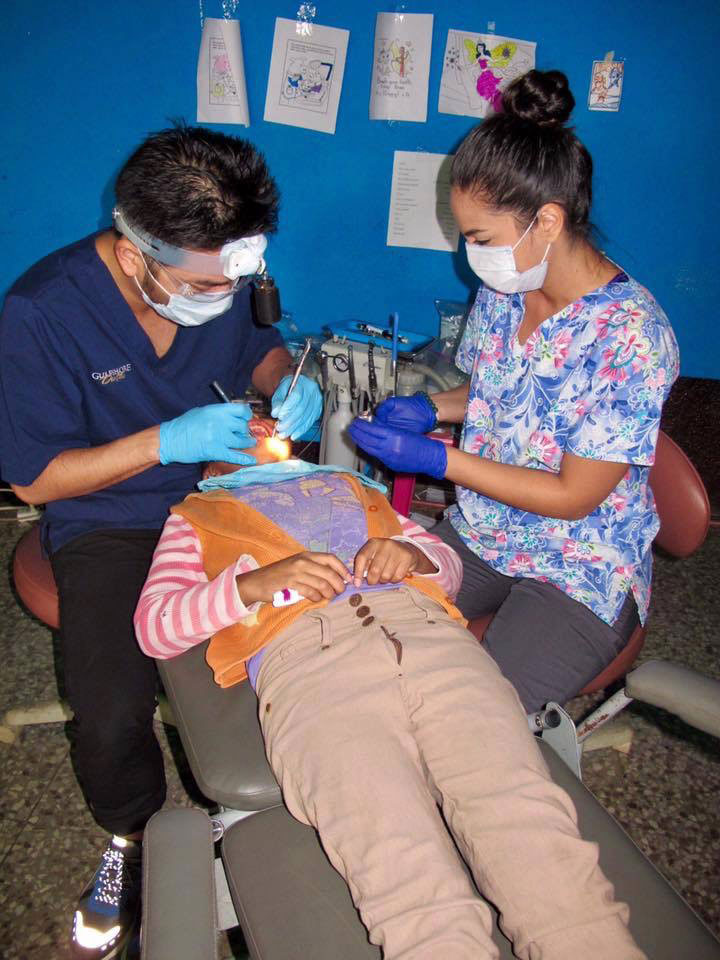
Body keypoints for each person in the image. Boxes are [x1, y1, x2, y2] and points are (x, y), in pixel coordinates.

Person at [0, 124, 322, 959]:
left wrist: (291, 384)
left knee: (317, 638)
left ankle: (299, 813)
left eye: (236, 279)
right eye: (204, 283)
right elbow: (36, 481)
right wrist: (163, 441)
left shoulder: (225, 272)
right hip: (108, 518)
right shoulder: (41, 312)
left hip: (222, 493)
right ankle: (132, 838)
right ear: (133, 250)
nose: (223, 294)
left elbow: (262, 348)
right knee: (109, 714)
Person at [134, 455, 646, 960]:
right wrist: (252, 585)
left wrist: (412, 556)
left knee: (525, 817)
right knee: (397, 858)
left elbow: (447, 568)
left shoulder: (354, 488)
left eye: (268, 425)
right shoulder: (196, 518)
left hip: (435, 640)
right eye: (244, 430)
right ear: (210, 470)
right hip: (311, 667)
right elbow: (155, 627)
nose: (264, 430)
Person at [349, 69, 679, 713]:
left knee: (472, 715)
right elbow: (495, 389)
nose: (470, 253)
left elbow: (572, 496)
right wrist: (429, 408)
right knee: (359, 628)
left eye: (481, 238)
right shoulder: (507, 289)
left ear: (547, 221)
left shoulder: (633, 336)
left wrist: (439, 459)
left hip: (579, 561)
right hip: (486, 530)